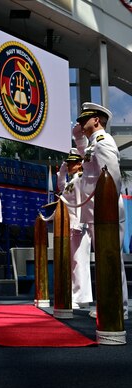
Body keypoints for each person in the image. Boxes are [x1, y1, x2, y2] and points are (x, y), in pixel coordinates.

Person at [73, 102, 128, 319]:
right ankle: (109, 303)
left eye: (83, 120)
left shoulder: (103, 142)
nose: (80, 123)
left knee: (111, 258)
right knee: (105, 259)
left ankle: (117, 308)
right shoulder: (92, 143)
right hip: (98, 212)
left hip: (107, 211)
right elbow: (85, 161)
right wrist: (77, 136)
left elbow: (112, 178)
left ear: (96, 120)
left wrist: (107, 211)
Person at [57, 148, 93, 309]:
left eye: (73, 163)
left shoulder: (80, 179)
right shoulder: (72, 181)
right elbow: (61, 187)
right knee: (74, 262)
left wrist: (80, 224)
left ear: (80, 164)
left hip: (78, 225)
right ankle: (79, 296)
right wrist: (63, 168)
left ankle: (81, 297)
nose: (70, 165)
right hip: (70, 225)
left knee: (80, 261)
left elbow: (81, 202)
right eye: (69, 163)